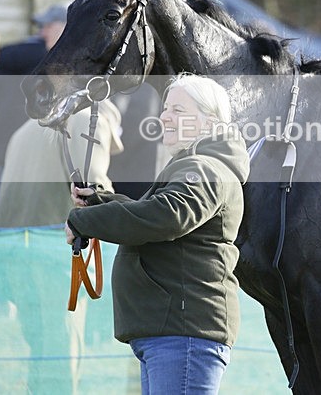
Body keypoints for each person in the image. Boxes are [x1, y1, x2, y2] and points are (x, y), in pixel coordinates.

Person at [65, 74, 250, 395]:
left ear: (209, 122)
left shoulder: (205, 168)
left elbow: (166, 216)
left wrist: (86, 221)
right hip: (174, 333)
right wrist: (100, 201)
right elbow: (154, 211)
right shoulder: (195, 165)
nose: (165, 117)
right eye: (165, 109)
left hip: (183, 334)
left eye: (178, 110)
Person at [0, 100, 122, 394]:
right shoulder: (90, 117)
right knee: (62, 351)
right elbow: (93, 188)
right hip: (55, 256)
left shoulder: (27, 129)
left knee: (41, 351)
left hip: (13, 251)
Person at [0, 3, 67, 181]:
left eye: (48, 26)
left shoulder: (12, 55)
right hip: (34, 153)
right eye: (42, 27)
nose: (42, 32)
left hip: (7, 149)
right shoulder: (49, 60)